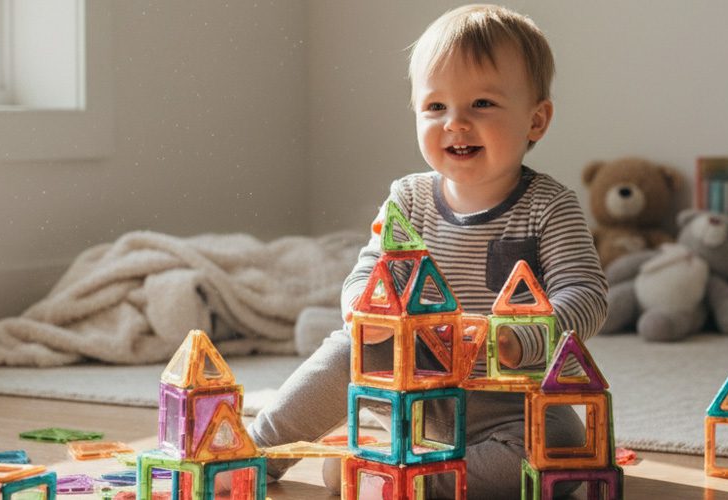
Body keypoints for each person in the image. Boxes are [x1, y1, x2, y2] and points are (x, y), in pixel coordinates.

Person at [248, 5, 608, 498]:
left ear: (536, 120)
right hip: (414, 384)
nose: (455, 123)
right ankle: (257, 451)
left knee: (564, 448)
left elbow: (586, 295)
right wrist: (360, 308)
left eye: (482, 103)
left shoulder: (550, 206)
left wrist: (519, 338)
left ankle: (399, 476)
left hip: (510, 401)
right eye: (436, 107)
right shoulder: (409, 199)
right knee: (349, 347)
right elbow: (372, 270)